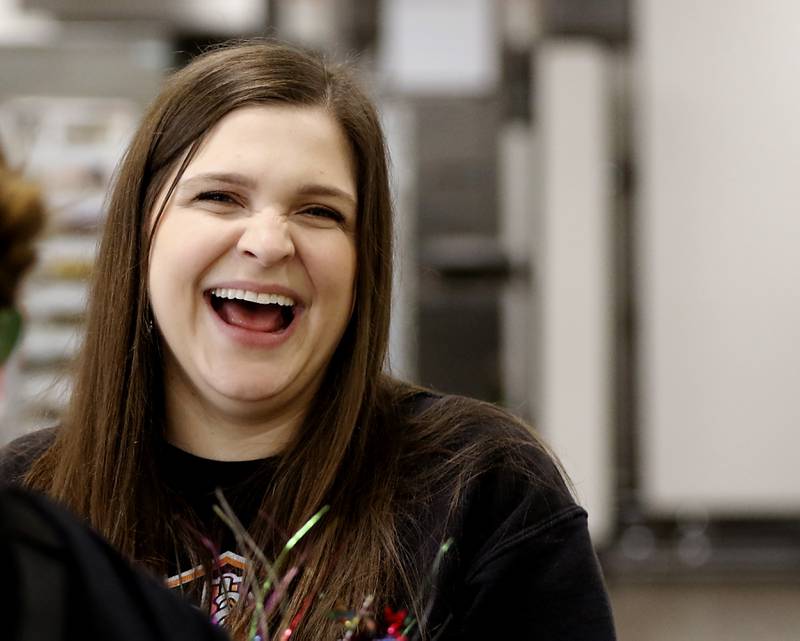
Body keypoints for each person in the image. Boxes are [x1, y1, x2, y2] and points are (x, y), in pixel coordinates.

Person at [0, 40, 616, 641]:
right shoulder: (26, 504)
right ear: (140, 236)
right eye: (219, 197)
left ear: (362, 265)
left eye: (320, 211)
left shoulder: (480, 490)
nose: (269, 242)